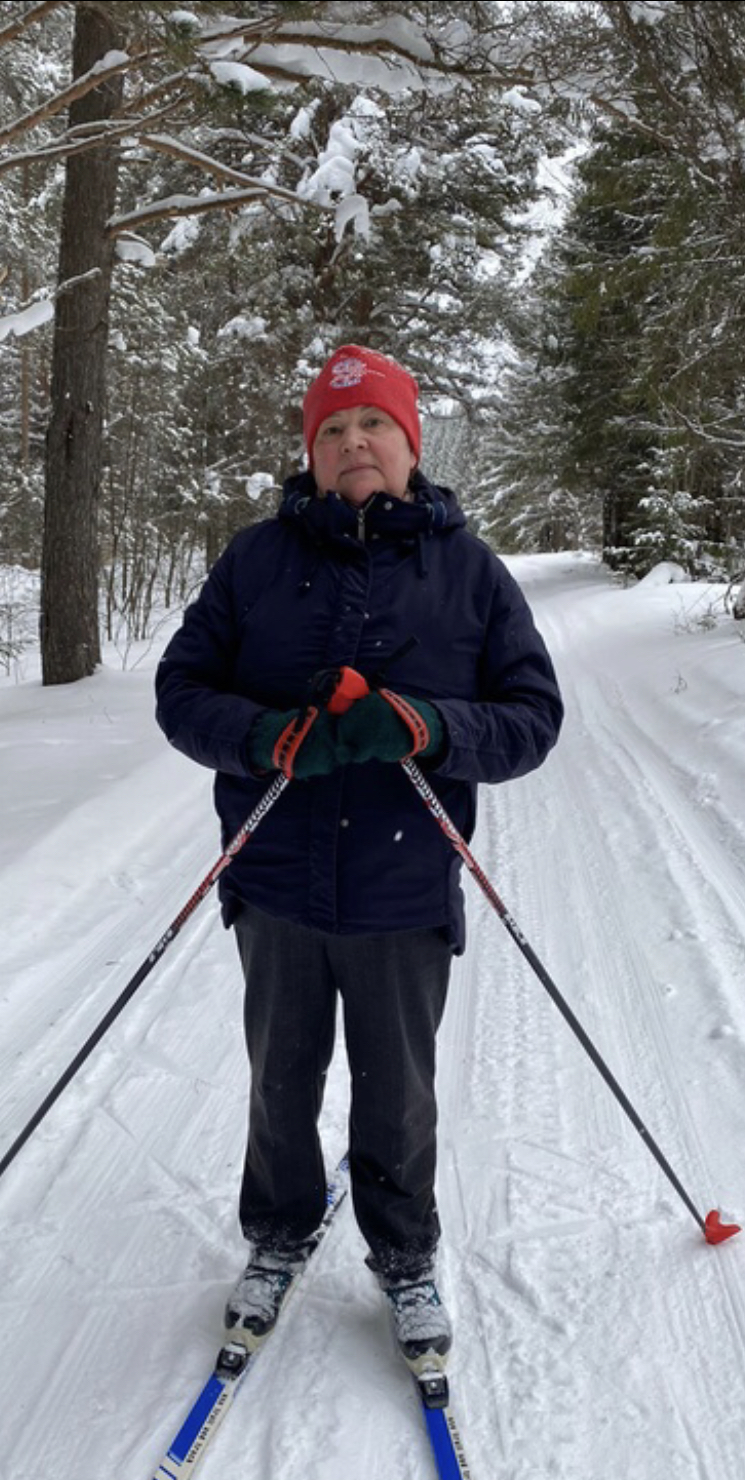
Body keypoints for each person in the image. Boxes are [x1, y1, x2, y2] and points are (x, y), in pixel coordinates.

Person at [155, 344, 564, 1373]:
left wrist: (426, 723)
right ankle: (279, 1232)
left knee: (397, 1088)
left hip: (403, 880)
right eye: (332, 431)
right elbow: (182, 690)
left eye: (371, 425)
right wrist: (261, 737)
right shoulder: (255, 559)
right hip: (278, 876)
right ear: (311, 451)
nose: (352, 444)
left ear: (410, 442)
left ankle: (405, 1250)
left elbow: (531, 718)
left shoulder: (470, 571)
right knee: (279, 1076)